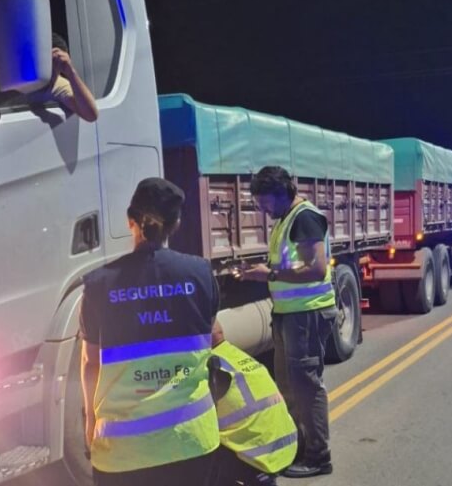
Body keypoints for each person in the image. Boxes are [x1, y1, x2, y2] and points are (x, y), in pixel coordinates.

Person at [79, 177, 220, 486]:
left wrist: (90, 423)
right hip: (192, 440)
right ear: (177, 223)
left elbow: (91, 364)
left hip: (123, 452)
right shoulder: (200, 272)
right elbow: (216, 339)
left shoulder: (99, 284)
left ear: (131, 220)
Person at [235, 166, 337, 479]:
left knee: (306, 386)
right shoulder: (285, 219)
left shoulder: (304, 217)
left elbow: (317, 269)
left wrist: (273, 275)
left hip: (307, 313)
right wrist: (261, 271)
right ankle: (300, 446)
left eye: (266, 203)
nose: (264, 210)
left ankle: (319, 456)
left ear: (282, 195)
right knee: (288, 384)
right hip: (289, 313)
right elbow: (287, 263)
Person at [209, 321, 297, 486]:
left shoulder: (210, 368)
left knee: (196, 444)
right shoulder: (235, 355)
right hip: (286, 446)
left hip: (256, 457)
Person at [26, 32, 98, 122]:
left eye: (56, 65)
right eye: (45, 62)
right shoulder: (17, 79)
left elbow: (91, 115)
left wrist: (71, 72)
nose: (50, 71)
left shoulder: (58, 85)